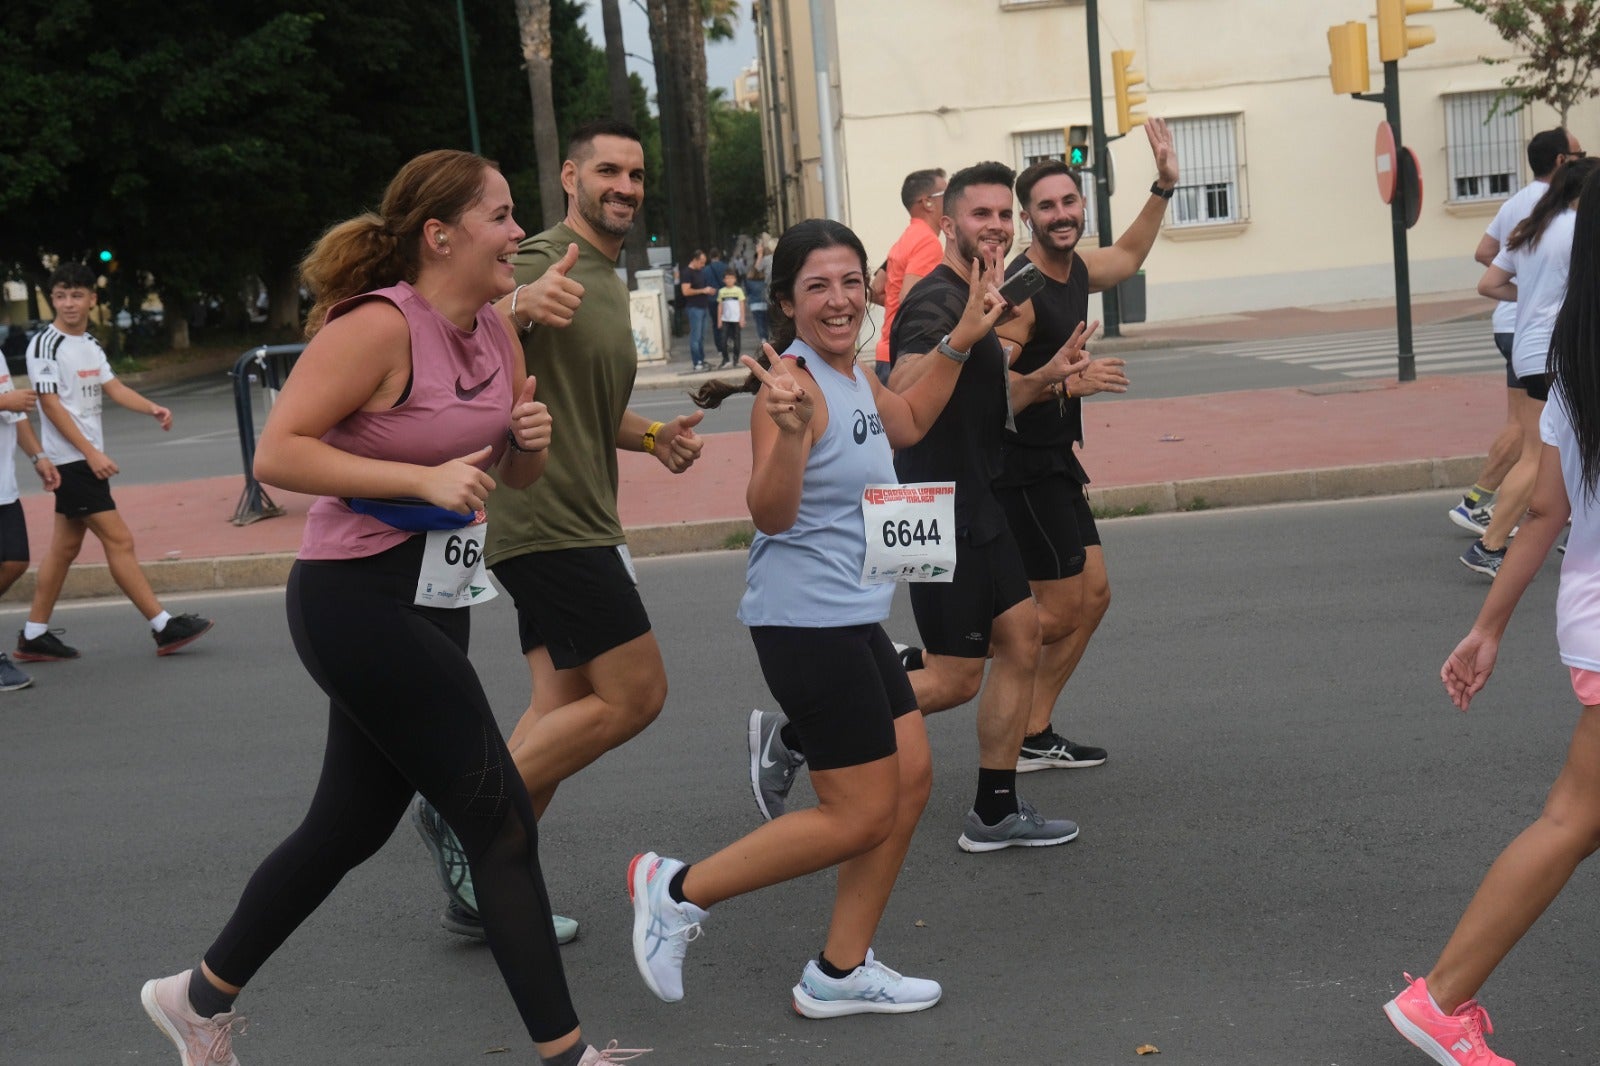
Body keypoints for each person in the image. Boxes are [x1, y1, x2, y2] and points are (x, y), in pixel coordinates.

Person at [138, 149, 643, 1066]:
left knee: (346, 827)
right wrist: (418, 474)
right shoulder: (377, 328)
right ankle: (567, 1057)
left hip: (434, 598)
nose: (518, 231)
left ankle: (194, 996)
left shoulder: (497, 328)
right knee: (498, 821)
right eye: (498, 215)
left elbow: (509, 471)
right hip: (352, 600)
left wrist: (526, 443)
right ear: (440, 235)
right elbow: (279, 454)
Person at [629, 218, 1004, 1017]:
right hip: (806, 624)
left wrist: (963, 339)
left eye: (848, 283)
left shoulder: (855, 376)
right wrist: (792, 437)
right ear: (788, 302)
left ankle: (839, 971)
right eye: (816, 287)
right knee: (859, 810)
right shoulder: (789, 390)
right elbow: (768, 513)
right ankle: (677, 890)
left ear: (868, 289)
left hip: (852, 619)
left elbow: (905, 424)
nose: (837, 301)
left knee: (909, 782)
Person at [410, 120, 704, 942]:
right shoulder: (541, 259)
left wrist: (652, 438)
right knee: (638, 694)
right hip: (548, 521)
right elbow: (446, 320)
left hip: (578, 516)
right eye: (607, 170)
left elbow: (581, 406)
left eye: (636, 174)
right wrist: (513, 302)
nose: (625, 185)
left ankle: (488, 891)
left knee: (563, 703)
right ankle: (460, 804)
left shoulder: (607, 276)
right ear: (570, 178)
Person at [751, 162, 1092, 847]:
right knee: (957, 677)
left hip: (979, 496)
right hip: (931, 508)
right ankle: (797, 733)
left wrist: (1035, 369)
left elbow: (906, 414)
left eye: (1004, 215)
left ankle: (995, 807)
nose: (995, 226)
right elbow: (905, 386)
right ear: (949, 224)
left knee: (1022, 638)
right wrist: (964, 335)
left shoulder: (980, 300)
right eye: (980, 215)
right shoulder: (936, 301)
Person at [1384, 164, 1600, 1066]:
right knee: (1571, 820)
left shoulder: (1577, 373)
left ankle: (1442, 997)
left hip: (1589, 619)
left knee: (1575, 818)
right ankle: (1441, 998)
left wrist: (1489, 628)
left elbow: (1546, 511)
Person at [983, 119, 1176, 773]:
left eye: (1069, 202)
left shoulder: (1072, 269)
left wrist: (1162, 187)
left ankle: (1034, 730)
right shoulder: (1023, 293)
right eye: (1047, 206)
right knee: (1059, 611)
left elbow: (1127, 257)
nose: (1061, 214)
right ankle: (941, 658)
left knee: (1093, 598)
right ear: (1028, 216)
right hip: (1019, 468)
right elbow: (991, 395)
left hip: (1053, 460)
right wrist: (1063, 384)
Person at [19, 263, 212, 661]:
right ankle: (163, 626)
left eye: (76, 295)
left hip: (82, 458)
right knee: (119, 540)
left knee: (64, 548)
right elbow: (50, 406)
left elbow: (115, 387)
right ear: (52, 299)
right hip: (72, 460)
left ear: (92, 298)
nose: (68, 303)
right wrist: (91, 454)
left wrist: (152, 408)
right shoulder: (44, 344)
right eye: (60, 295)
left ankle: (34, 635)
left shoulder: (89, 343)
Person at [1462, 156, 1600, 577]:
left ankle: (1579, 532)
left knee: (1565, 442)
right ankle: (1489, 544)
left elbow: (1489, 283)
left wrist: (1534, 303)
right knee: (1539, 454)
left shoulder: (1535, 228)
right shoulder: (1578, 230)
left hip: (1529, 350)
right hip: (1556, 352)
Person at [0, 363, 57, 690]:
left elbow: (15, 409)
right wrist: (3, 402)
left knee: (16, 561)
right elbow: (7, 402)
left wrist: (38, 457)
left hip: (3, 486)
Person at [872, 169, 947, 385]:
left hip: (889, 352)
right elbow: (910, 297)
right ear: (928, 202)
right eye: (948, 193)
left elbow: (878, 289)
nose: (954, 199)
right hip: (906, 356)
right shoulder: (927, 242)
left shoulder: (907, 237)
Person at [715, 268, 746, 369]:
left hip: (736, 319)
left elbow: (742, 305)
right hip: (725, 319)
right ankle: (726, 359)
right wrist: (719, 319)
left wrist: (742, 318)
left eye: (731, 278)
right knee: (723, 340)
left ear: (735, 279)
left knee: (737, 339)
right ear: (724, 280)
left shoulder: (738, 290)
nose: (729, 280)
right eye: (727, 278)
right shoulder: (722, 291)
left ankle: (736, 359)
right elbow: (720, 306)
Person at [746, 240, 771, 346]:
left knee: (759, 323)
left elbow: (748, 292)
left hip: (754, 304)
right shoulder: (765, 280)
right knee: (767, 322)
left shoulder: (749, 280)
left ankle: (763, 339)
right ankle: (769, 338)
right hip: (765, 303)